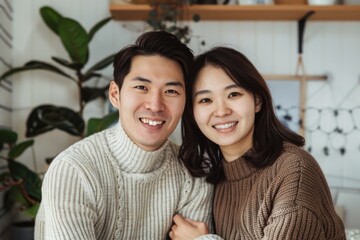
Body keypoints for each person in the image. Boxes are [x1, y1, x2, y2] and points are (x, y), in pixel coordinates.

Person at [34, 31, 214, 239]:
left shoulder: (193, 174)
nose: (155, 105)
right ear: (115, 94)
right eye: (141, 87)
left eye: (171, 91)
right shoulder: (74, 170)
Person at [169, 47, 346, 240]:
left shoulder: (294, 171)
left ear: (257, 101)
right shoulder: (216, 179)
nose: (220, 111)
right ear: (192, 114)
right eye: (205, 99)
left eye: (233, 94)